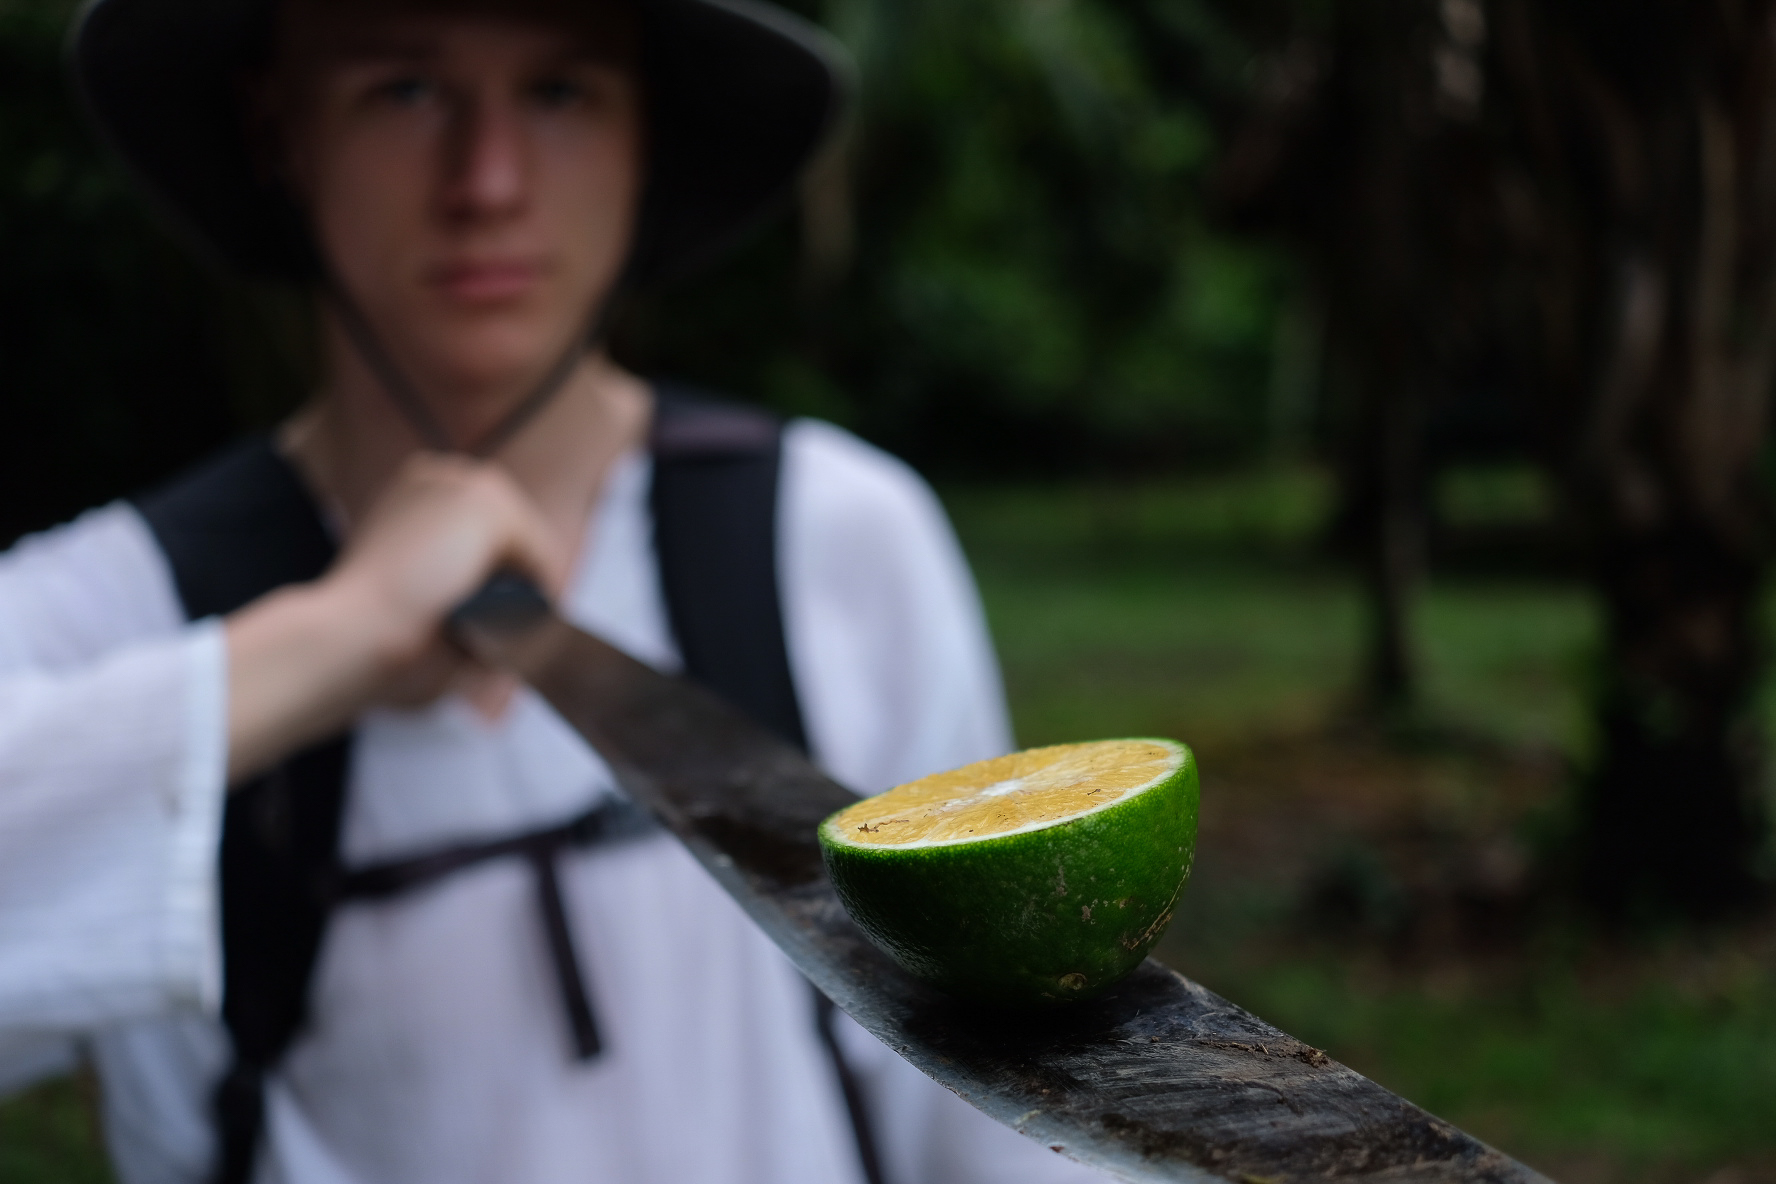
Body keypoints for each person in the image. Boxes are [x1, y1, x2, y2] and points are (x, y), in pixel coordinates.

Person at [0, 0, 1116, 1181]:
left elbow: (998, 1120)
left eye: (560, 92)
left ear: (646, 135)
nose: (487, 181)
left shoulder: (830, 537)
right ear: (277, 130)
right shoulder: (117, 609)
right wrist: (329, 637)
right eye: (403, 90)